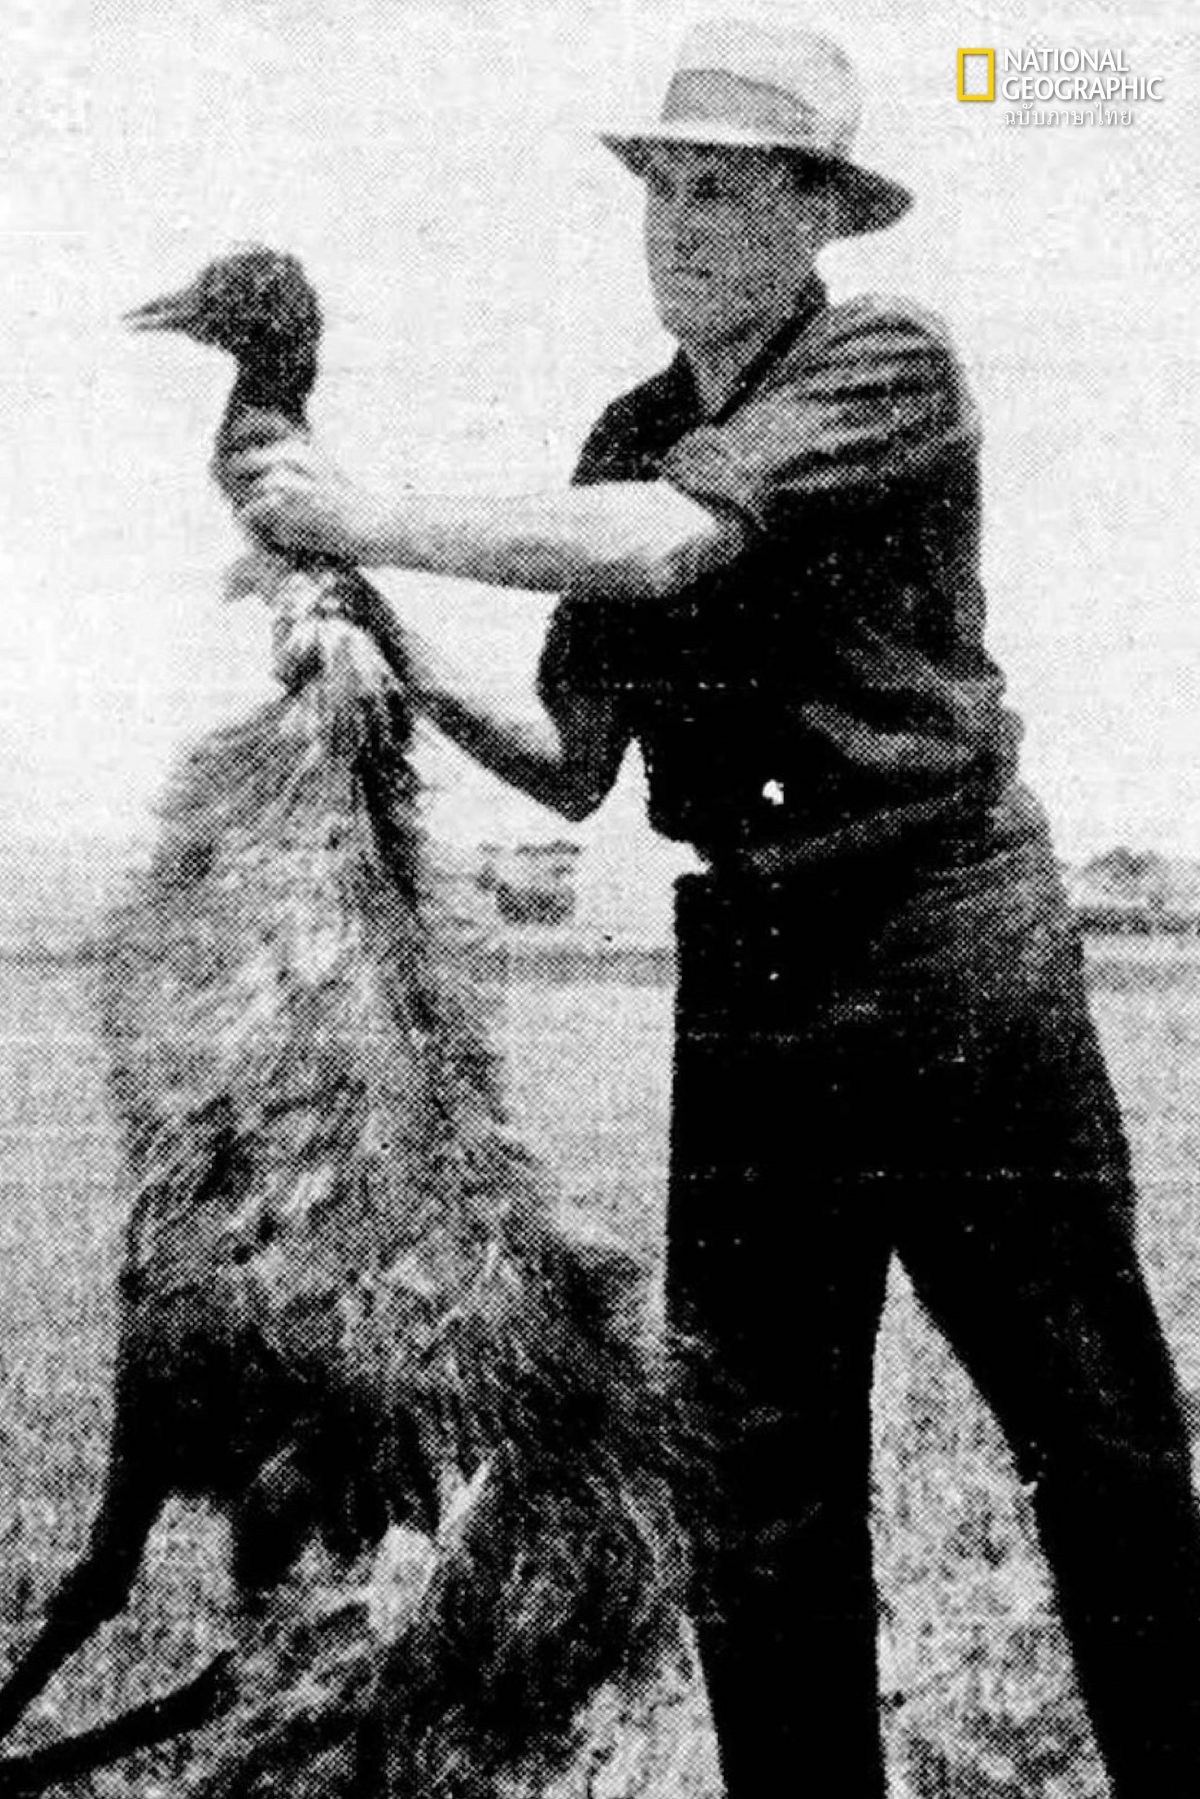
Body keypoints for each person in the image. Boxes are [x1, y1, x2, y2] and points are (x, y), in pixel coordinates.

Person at [219, 20, 1200, 1796]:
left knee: (1097, 1434)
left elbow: (668, 542)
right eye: (660, 187)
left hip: (951, 955)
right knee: (752, 1485)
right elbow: (573, 761)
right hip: (753, 985)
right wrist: (382, 629)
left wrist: (372, 512)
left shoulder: (886, 363)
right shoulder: (635, 431)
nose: (675, 223)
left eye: (723, 190)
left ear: (819, 214)